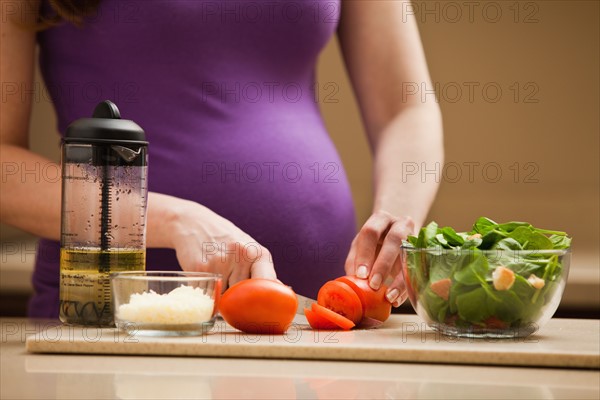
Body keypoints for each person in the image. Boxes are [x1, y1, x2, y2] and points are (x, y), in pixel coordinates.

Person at [1, 0, 443, 318]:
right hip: (112, 318)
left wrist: (396, 220)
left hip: (315, 325)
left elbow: (407, 108)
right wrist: (173, 218)